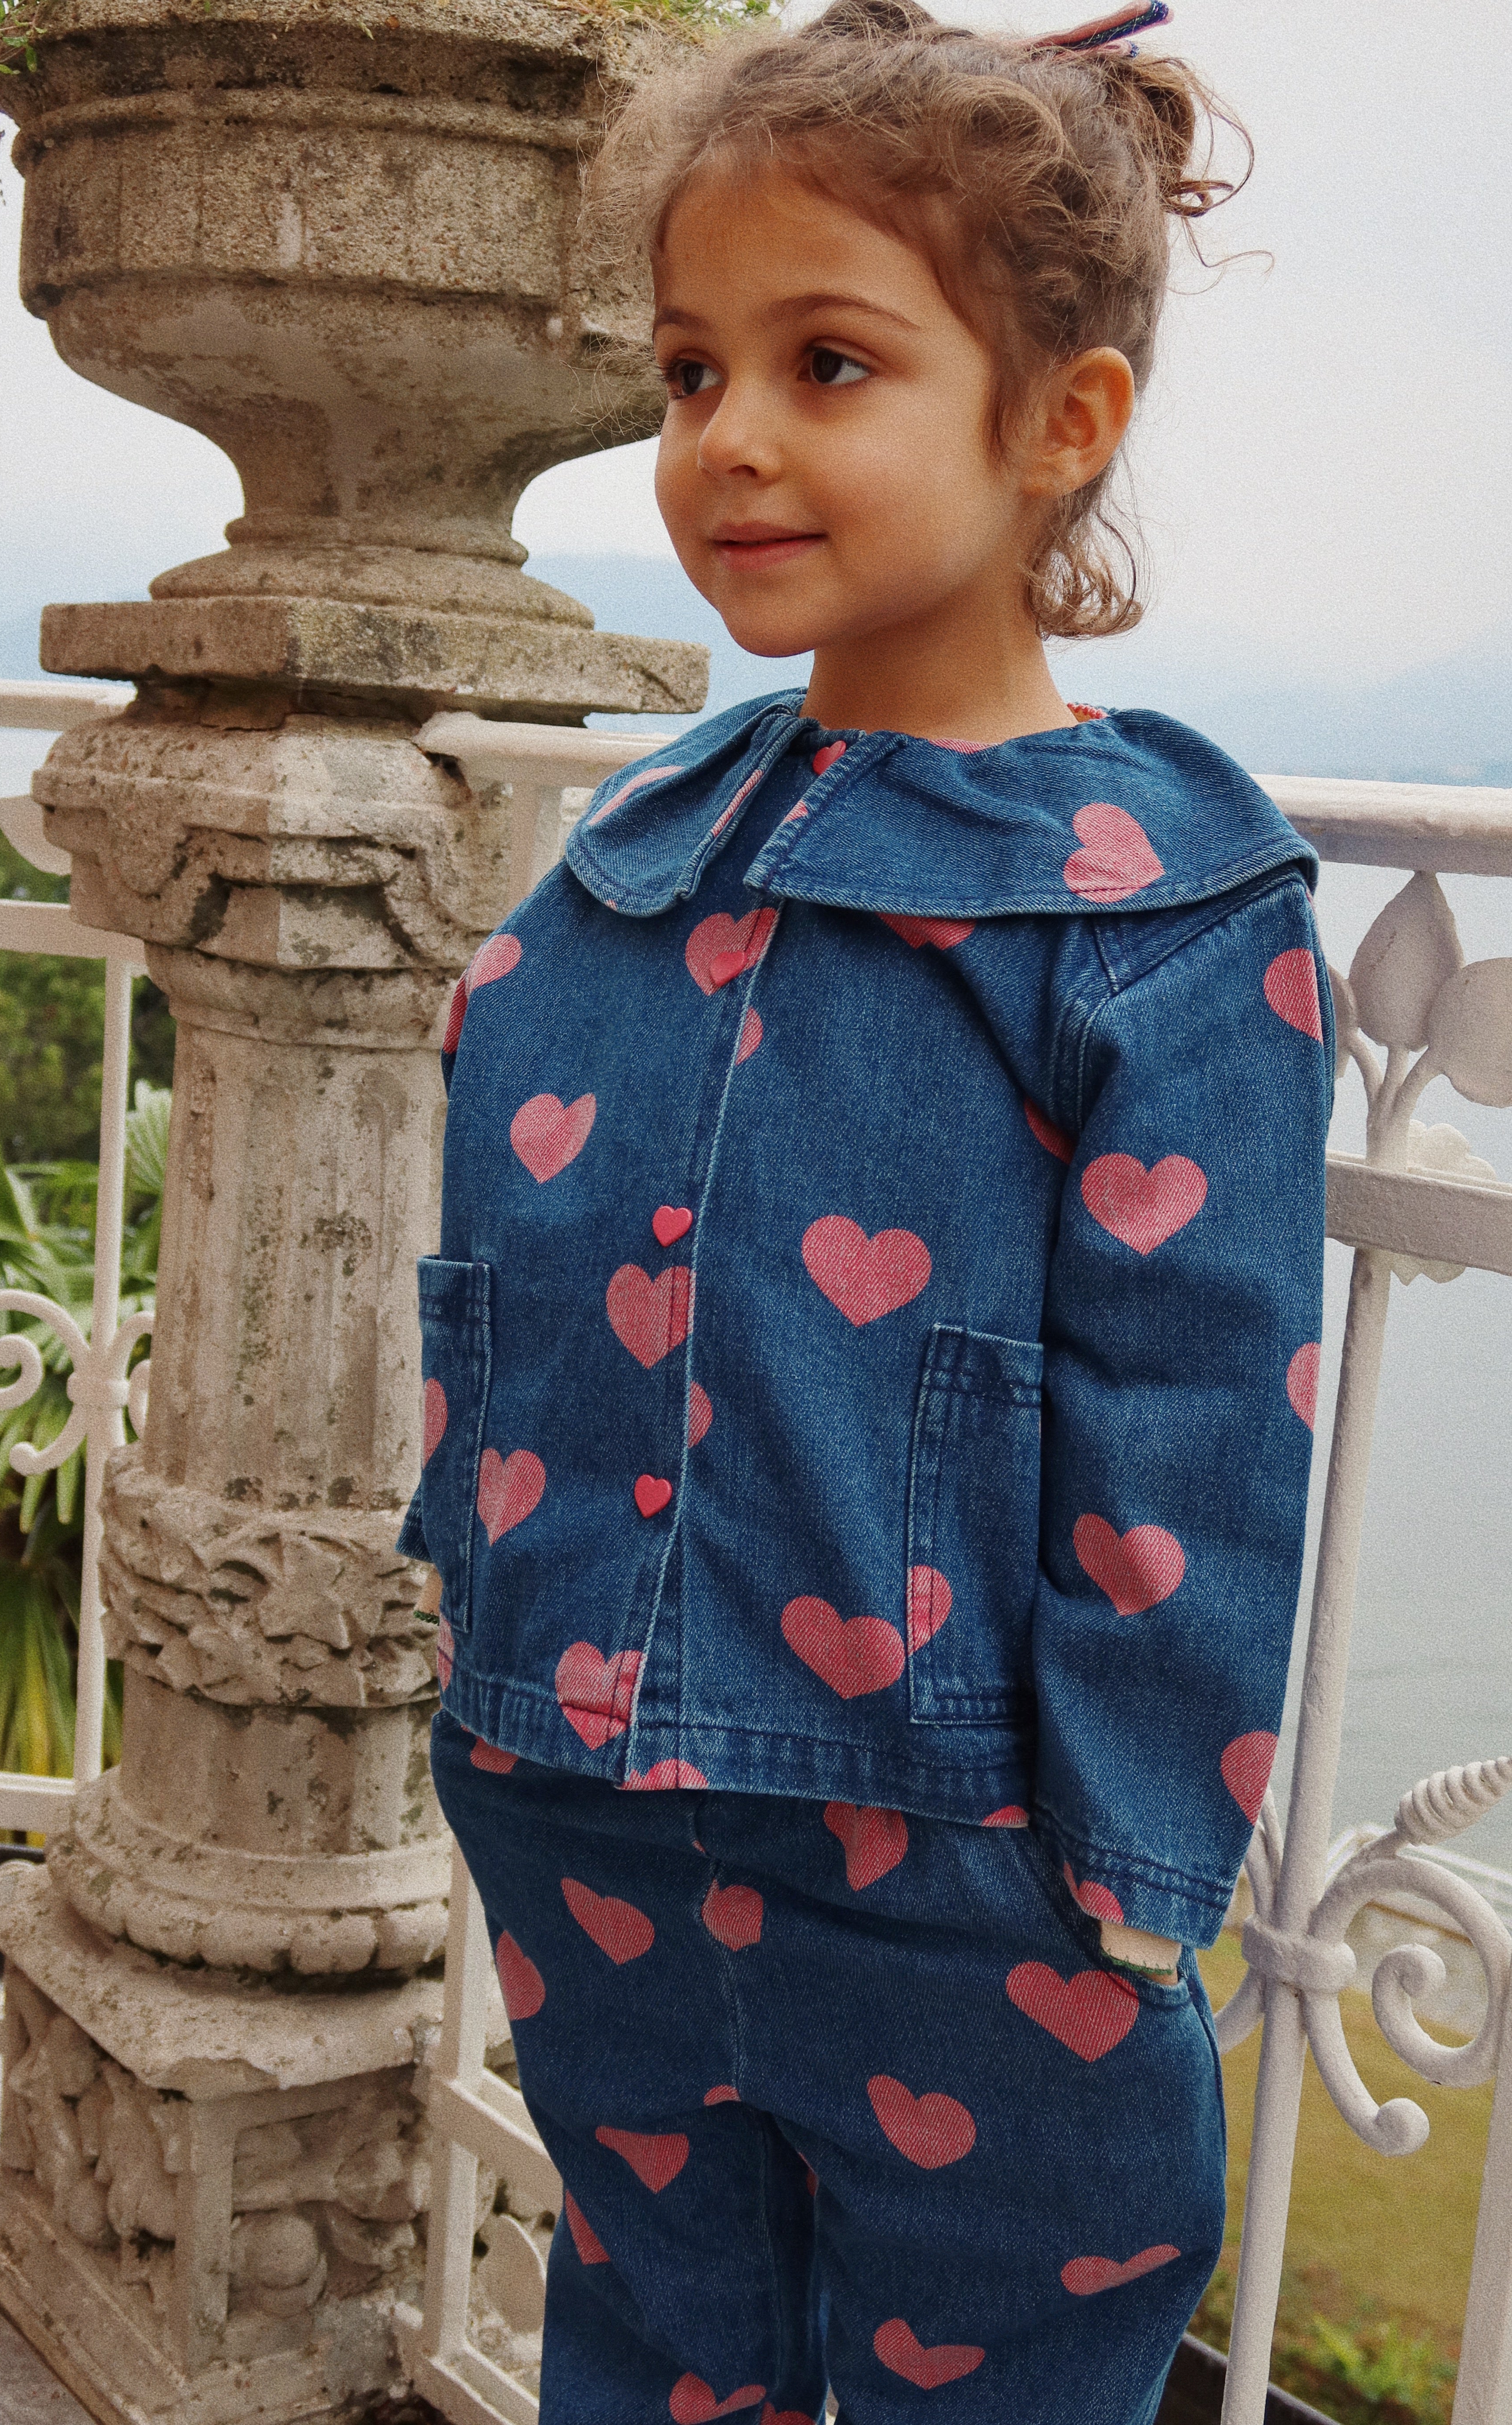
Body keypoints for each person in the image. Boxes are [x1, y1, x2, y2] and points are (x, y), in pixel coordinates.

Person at [405, 3, 1333, 2415]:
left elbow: (1199, 1415)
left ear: (1061, 421)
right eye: (689, 369)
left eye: (828, 363)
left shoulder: (1154, 905)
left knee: (1011, 2365)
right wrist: (483, 1622)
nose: (727, 436)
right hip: (582, 1806)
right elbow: (500, 1273)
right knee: (651, 2340)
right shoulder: (635, 857)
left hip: (970, 1880)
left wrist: (1130, 1876)